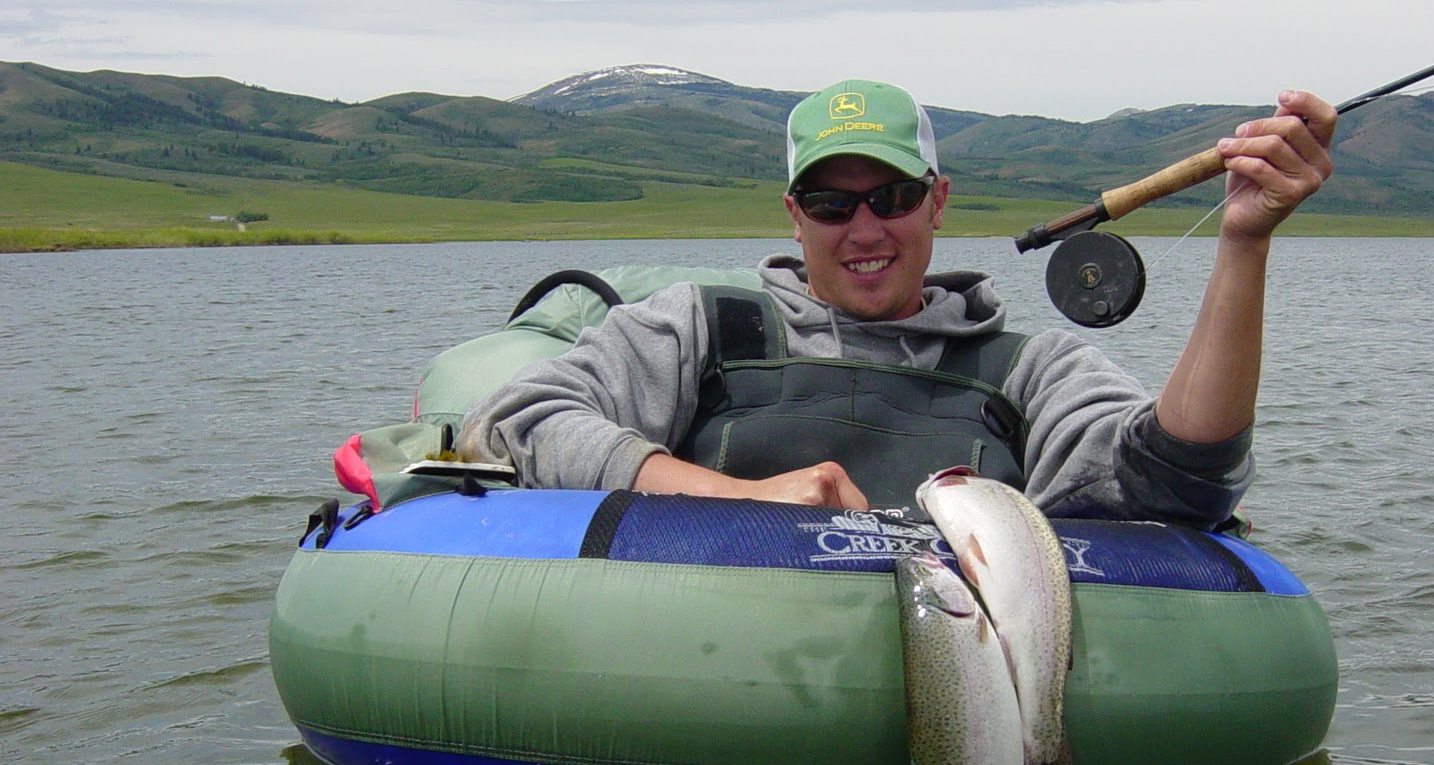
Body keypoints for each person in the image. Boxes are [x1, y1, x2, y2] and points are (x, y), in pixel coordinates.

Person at [459, 78, 1335, 528]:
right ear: (795, 218)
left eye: (893, 196)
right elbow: (520, 419)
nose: (864, 226)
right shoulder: (699, 327)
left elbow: (1176, 477)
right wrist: (734, 495)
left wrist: (1244, 241)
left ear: (938, 201)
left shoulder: (1031, 369)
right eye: (833, 205)